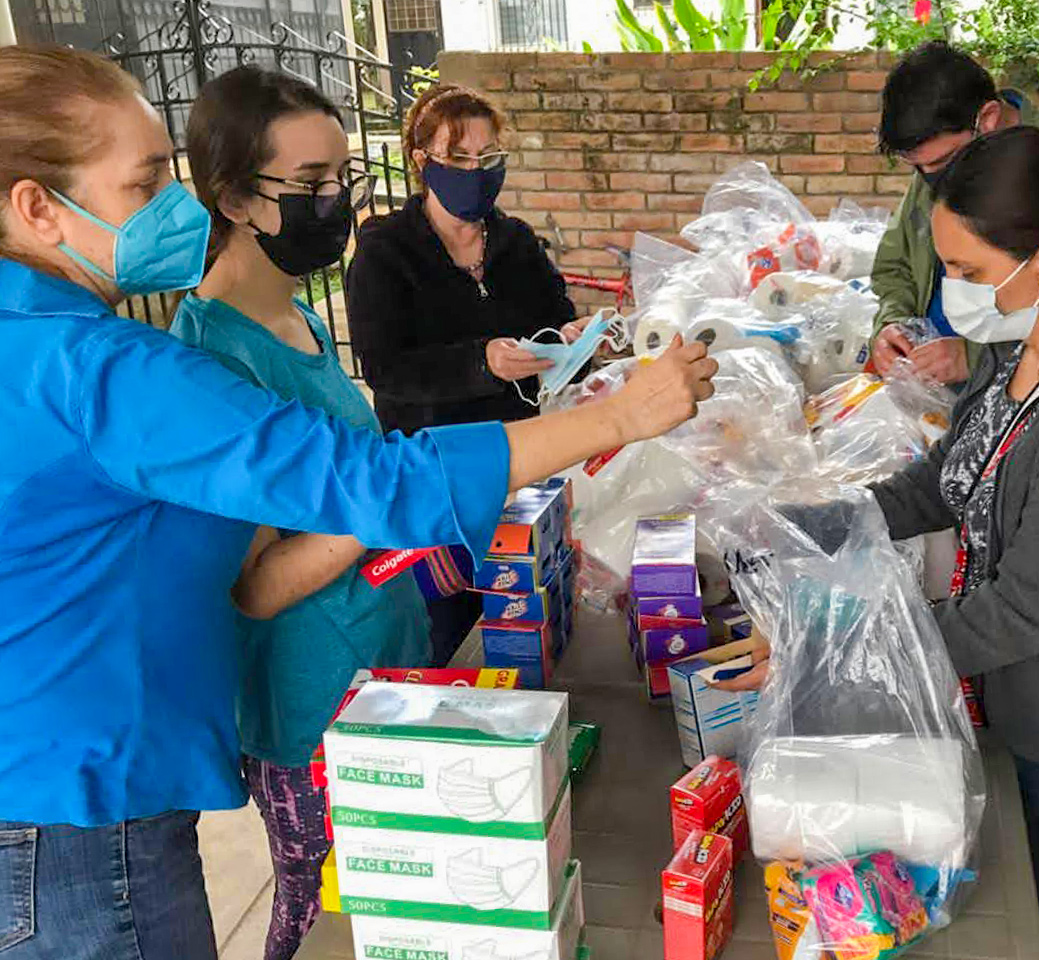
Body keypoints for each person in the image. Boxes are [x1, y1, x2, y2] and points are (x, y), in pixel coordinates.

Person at [0, 45, 715, 960]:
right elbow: (374, 482)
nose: (167, 210)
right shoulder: (102, 369)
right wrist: (621, 415)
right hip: (82, 809)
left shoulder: (56, 344)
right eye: (144, 184)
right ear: (34, 207)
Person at [721, 127, 1039, 960]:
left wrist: (826, 645)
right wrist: (788, 524)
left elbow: (1023, 609)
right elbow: (940, 484)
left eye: (969, 272)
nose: (952, 289)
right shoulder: (1026, 349)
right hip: (1019, 698)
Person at [167, 65, 436, 960]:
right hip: (311, 707)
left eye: (343, 180)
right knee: (327, 920)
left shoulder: (304, 323)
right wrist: (391, 496)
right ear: (238, 198)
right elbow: (255, 587)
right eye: (311, 186)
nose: (338, 204)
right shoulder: (210, 361)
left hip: (383, 659)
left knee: (411, 910)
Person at [346, 83, 582, 664]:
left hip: (522, 471)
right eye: (460, 158)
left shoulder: (515, 242)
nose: (476, 173)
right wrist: (483, 362)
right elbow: (385, 369)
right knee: (453, 639)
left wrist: (576, 340)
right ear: (422, 161)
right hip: (436, 479)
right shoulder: (385, 254)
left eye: (489, 158)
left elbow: (558, 319)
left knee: (532, 624)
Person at [869, 41, 1039, 386]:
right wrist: (893, 325)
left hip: (1028, 383)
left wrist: (976, 357)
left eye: (938, 162)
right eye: (917, 166)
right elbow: (894, 267)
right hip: (930, 381)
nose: (930, 178)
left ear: (988, 119)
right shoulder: (936, 168)